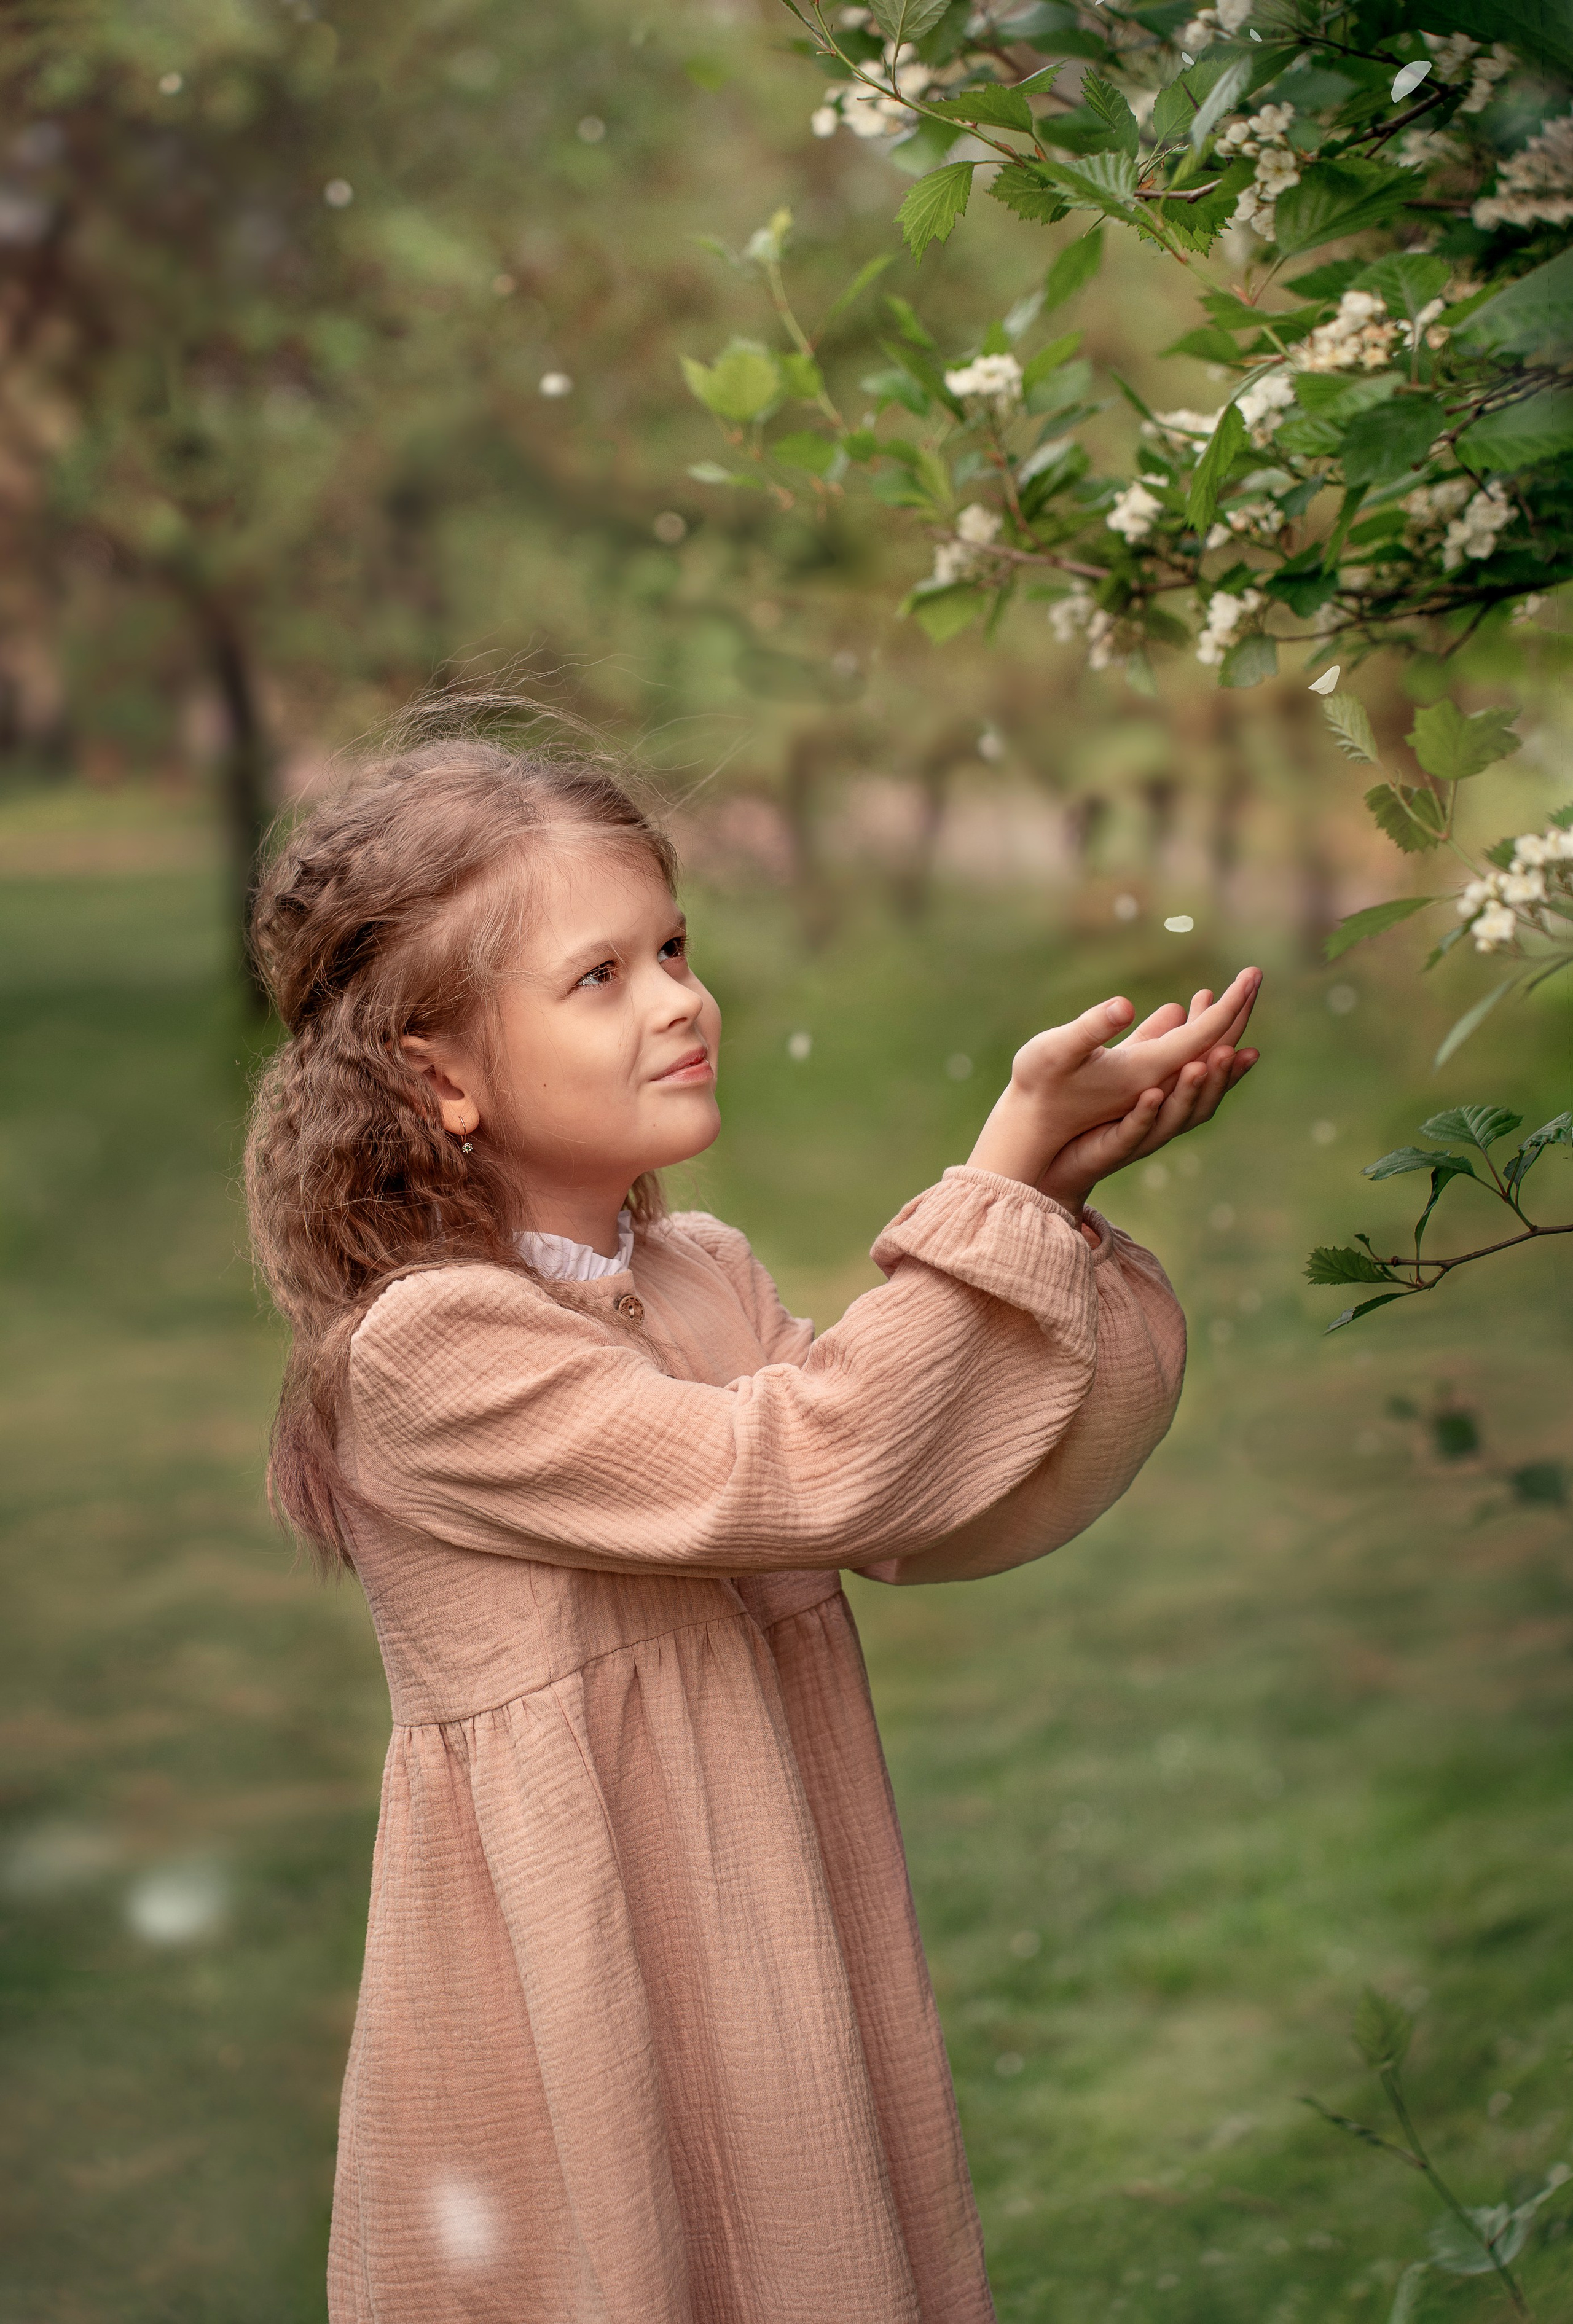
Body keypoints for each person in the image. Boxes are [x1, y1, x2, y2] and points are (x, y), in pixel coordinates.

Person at [245, 719, 1260, 2324]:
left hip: (764, 1909)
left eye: (673, 948)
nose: (678, 1001)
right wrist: (994, 1184)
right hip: (588, 1958)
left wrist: (1048, 1204)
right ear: (438, 1074)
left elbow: (917, 1497)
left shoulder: (700, 1273)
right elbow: (794, 1470)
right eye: (599, 978)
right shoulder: (432, 1348)